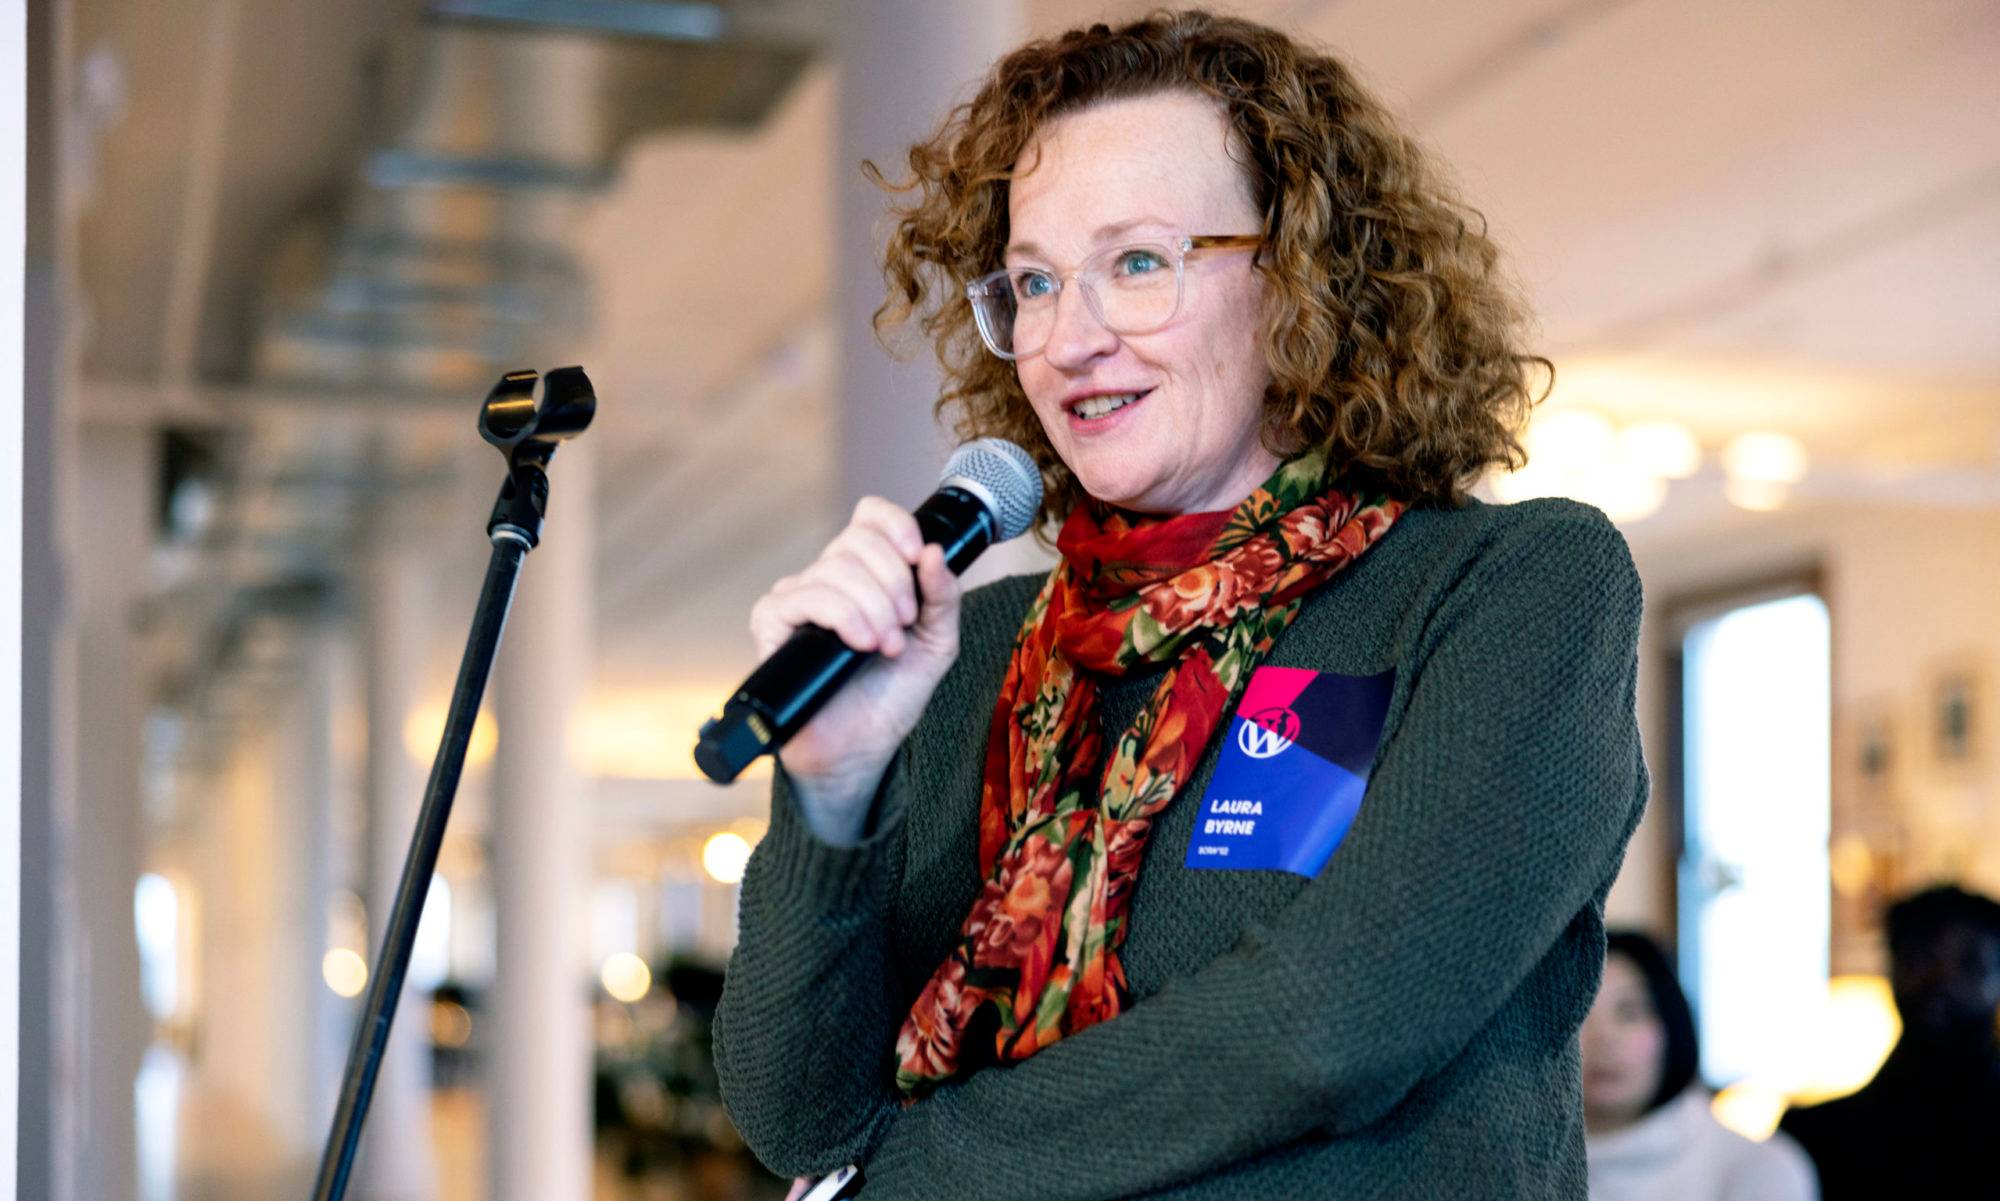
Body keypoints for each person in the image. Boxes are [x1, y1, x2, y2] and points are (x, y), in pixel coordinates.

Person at [710, 12, 1648, 1198]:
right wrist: (835, 790)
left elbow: (1326, 1019)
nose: (1067, 338)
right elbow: (797, 1115)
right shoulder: (969, 650)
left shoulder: (1507, 586)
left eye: (1137, 263)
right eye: (1035, 281)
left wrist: (910, 1175)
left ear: (1302, 274)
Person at [1780, 885, 2000, 1199]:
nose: (1941, 982)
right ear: (1892, 968)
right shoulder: (1815, 1137)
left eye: (1970, 966)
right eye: (1921, 959)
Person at [1582, 931, 1816, 1200]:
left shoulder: (1759, 1170)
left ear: (1671, 1023)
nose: (1604, 1037)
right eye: (1582, 1013)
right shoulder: (1529, 1168)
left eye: (1629, 1012)